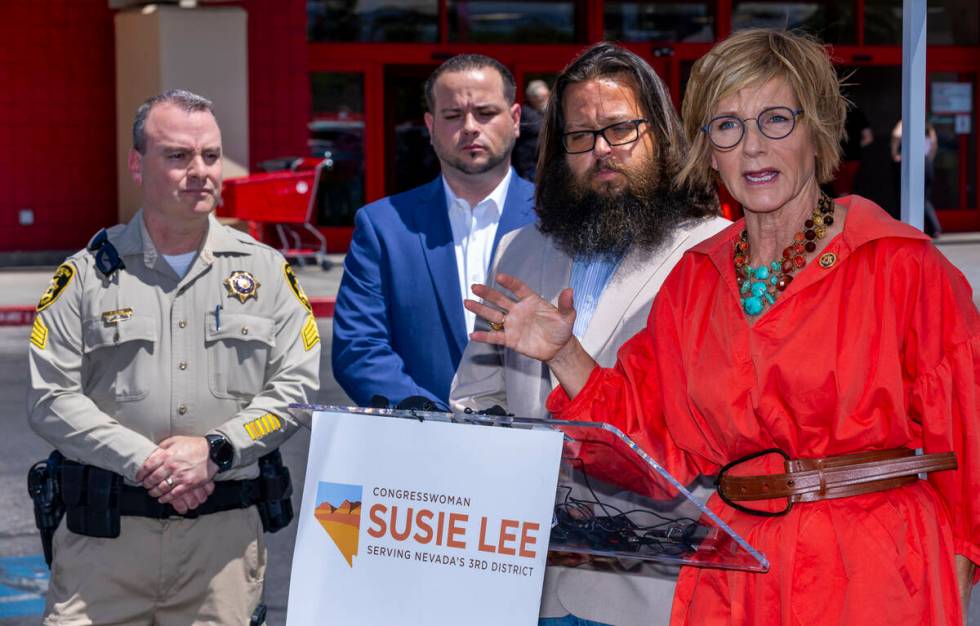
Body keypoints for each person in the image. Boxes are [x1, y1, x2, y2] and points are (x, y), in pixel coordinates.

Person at [465, 29, 979, 625]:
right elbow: (652, 450)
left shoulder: (901, 266)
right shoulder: (696, 279)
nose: (753, 147)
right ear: (708, 151)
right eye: (727, 126)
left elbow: (968, 450)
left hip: (873, 577)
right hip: (733, 578)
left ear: (816, 131)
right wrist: (565, 353)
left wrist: (948, 583)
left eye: (776, 120)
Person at [451, 43, 727, 626]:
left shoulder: (716, 253)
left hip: (656, 590)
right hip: (534, 584)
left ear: (661, 133)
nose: (602, 150)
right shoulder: (521, 250)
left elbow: (720, 433)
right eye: (581, 136)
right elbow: (478, 397)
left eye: (620, 129)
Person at [27, 89, 321, 625]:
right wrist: (147, 463)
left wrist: (215, 451)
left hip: (222, 553)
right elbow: (51, 398)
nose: (200, 171)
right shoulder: (86, 275)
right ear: (138, 165)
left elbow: (296, 392)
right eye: (178, 156)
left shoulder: (267, 273)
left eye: (210, 155)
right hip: (105, 549)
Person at [332, 54, 536, 409]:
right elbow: (358, 347)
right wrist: (432, 419)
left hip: (538, 445)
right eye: (453, 115)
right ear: (430, 125)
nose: (470, 127)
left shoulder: (555, 220)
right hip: (420, 443)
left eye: (485, 113)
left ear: (515, 119)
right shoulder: (383, 226)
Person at [891, 119, 942, 237]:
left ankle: (933, 227)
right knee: (924, 197)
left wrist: (894, 153)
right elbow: (934, 145)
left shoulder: (906, 127)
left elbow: (896, 135)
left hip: (913, 163)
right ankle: (934, 228)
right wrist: (929, 160)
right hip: (927, 163)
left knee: (909, 196)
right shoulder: (929, 129)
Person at [512, 79, 550, 180]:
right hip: (529, 167)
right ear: (532, 98)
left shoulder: (543, 113)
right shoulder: (526, 113)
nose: (546, 100)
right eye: (541, 97)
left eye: (547, 96)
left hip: (542, 165)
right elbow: (542, 128)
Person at [830, 105, 872, 197]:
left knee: (842, 193)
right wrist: (855, 145)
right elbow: (868, 138)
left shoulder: (830, 113)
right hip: (854, 158)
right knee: (855, 191)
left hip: (836, 159)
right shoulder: (857, 113)